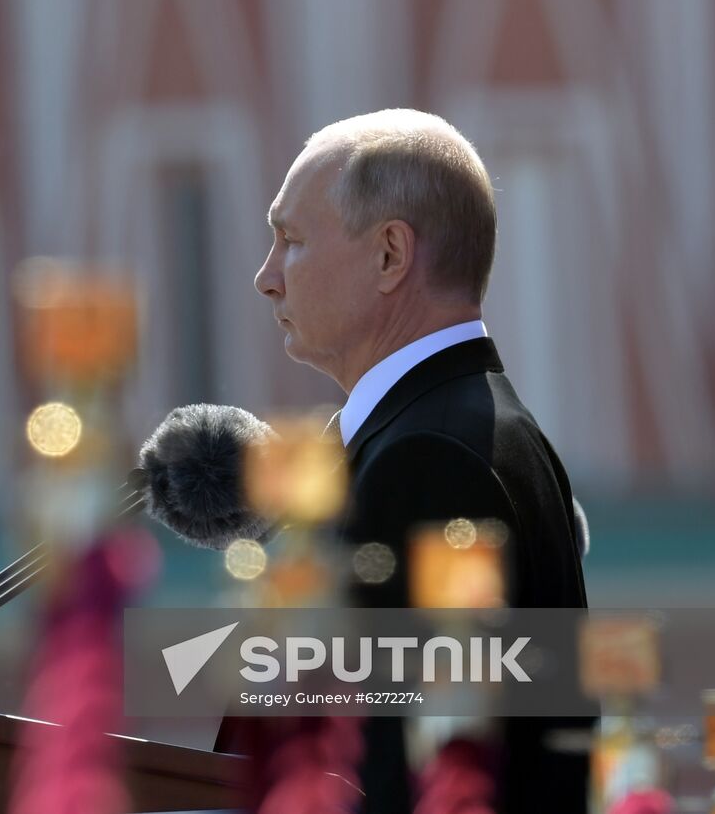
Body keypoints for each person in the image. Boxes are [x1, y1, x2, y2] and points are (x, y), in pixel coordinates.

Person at [245, 109, 590, 813]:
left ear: (390, 256)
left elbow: (397, 776)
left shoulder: (428, 459)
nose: (266, 277)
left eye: (291, 240)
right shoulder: (463, 426)